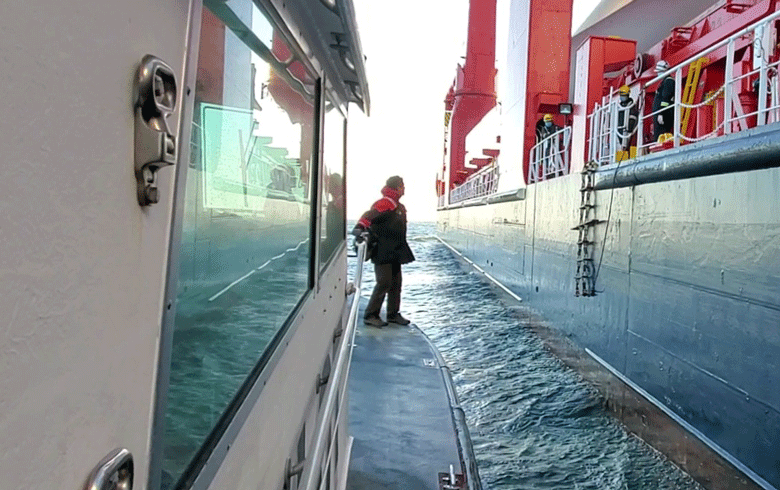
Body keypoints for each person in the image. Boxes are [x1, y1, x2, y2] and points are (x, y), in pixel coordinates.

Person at [351, 176, 415, 326]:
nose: (404, 188)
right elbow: (369, 216)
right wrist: (359, 228)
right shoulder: (386, 203)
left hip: (395, 250)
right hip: (383, 250)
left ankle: (393, 314)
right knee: (383, 282)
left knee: (396, 283)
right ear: (397, 187)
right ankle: (370, 315)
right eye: (402, 186)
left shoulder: (398, 206)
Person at [652, 60, 675, 141]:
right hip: (662, 114)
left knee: (660, 136)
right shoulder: (665, 81)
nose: (658, 74)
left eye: (659, 72)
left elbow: (665, 99)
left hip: (664, 115)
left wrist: (661, 114)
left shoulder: (668, 81)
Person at [616, 85, 638, 151]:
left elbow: (633, 117)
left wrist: (629, 129)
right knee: (621, 147)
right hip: (620, 131)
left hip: (627, 131)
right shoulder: (619, 106)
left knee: (629, 146)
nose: (622, 97)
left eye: (623, 95)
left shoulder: (631, 105)